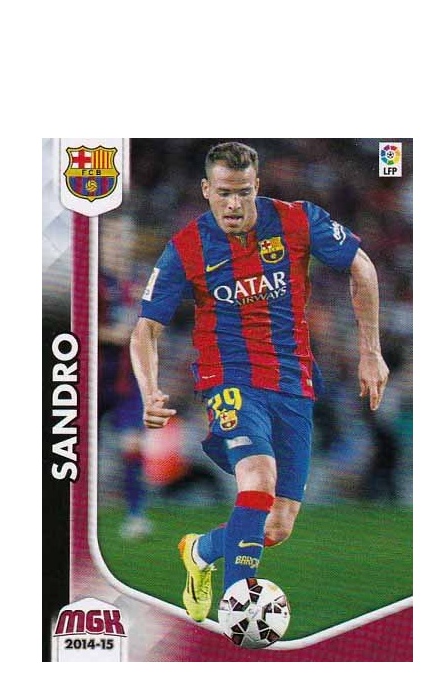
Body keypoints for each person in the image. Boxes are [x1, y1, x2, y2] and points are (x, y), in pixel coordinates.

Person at [129, 141, 389, 621]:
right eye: (224, 192)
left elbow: (362, 266)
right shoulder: (186, 247)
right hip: (228, 379)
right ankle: (238, 609)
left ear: (257, 187)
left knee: (276, 525)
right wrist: (149, 390)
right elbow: (145, 329)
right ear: (206, 189)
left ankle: (201, 551)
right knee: (258, 477)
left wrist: (370, 351)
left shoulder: (297, 220)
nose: (234, 204)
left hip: (292, 382)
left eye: (243, 192)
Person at [98, 263, 153, 540]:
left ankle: (136, 515)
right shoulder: (91, 282)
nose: (121, 244)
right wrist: (110, 333)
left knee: (132, 445)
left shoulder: (136, 283)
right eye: (115, 240)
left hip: (126, 382)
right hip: (92, 380)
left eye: (125, 240)